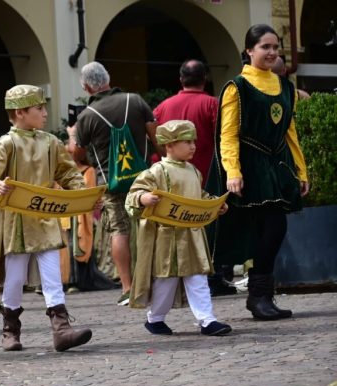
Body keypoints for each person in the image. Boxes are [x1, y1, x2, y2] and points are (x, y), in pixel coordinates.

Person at [0, 84, 93, 352]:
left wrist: (82, 192)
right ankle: (10, 329)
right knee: (14, 279)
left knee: (53, 276)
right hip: (16, 223)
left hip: (46, 218)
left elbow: (67, 172)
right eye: (39, 108)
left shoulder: (50, 142)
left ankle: (61, 330)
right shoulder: (6, 143)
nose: (45, 112)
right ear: (19, 112)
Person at [207, 24, 309, 320]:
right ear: (249, 50)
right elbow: (228, 134)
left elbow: (290, 133)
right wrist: (233, 171)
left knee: (274, 229)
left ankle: (261, 294)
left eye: (275, 47)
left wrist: (300, 171)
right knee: (271, 228)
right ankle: (258, 295)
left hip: (276, 165)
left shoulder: (285, 87)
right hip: (250, 165)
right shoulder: (237, 87)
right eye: (265, 47)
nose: (272, 52)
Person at [125, 120, 232, 336]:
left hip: (192, 236)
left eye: (193, 141)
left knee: (198, 278)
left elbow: (197, 197)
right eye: (186, 141)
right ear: (169, 145)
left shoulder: (194, 171)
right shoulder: (156, 171)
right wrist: (143, 198)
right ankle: (155, 319)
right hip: (166, 238)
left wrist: (213, 204)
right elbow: (131, 197)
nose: (193, 146)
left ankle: (207, 320)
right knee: (166, 281)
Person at [71, 61, 158, 306]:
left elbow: (77, 155)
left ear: (87, 87)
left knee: (119, 230)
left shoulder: (86, 116)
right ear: (108, 79)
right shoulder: (135, 100)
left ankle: (128, 287)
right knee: (148, 225)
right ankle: (153, 281)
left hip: (110, 181)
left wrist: (73, 137)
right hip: (143, 178)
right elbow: (156, 136)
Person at [153, 59, 236, 297]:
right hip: (206, 177)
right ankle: (213, 277)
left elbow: (155, 140)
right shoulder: (213, 104)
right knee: (210, 230)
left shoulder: (162, 107)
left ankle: (179, 281)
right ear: (205, 78)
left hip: (170, 181)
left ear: (181, 79)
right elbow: (224, 138)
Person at [64, 133, 117, 293]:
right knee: (65, 247)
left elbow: (89, 190)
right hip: (65, 213)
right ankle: (66, 280)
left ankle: (78, 280)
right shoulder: (59, 172)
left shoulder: (88, 170)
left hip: (80, 214)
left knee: (78, 245)